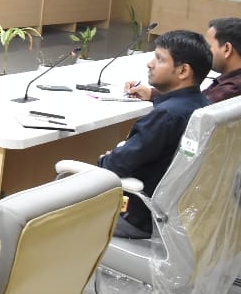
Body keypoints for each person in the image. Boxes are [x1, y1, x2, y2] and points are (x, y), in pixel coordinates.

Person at [101, 30, 212, 239]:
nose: (150, 64)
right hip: (179, 214)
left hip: (139, 217)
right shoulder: (203, 105)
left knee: (52, 213)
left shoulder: (166, 116)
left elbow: (114, 166)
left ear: (183, 71)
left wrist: (105, 158)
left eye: (159, 59)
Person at [126, 17, 241, 103]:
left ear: (227, 49)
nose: (204, 51)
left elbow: (193, 108)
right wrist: (152, 93)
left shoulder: (231, 89)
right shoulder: (231, 82)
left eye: (208, 46)